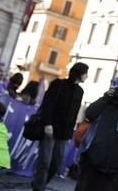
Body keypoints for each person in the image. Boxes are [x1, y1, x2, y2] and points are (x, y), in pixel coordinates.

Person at [75, 74, 118, 191]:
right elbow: (89, 114)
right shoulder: (104, 103)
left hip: (116, 168)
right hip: (93, 161)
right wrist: (106, 97)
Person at [31, 62, 89, 191]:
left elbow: (74, 114)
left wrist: (70, 133)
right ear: (80, 73)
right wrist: (47, 124)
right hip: (50, 129)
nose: (87, 76)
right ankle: (39, 188)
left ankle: (39, 183)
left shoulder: (80, 91)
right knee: (44, 161)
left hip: (64, 134)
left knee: (56, 163)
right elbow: (47, 105)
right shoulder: (58, 84)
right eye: (86, 73)